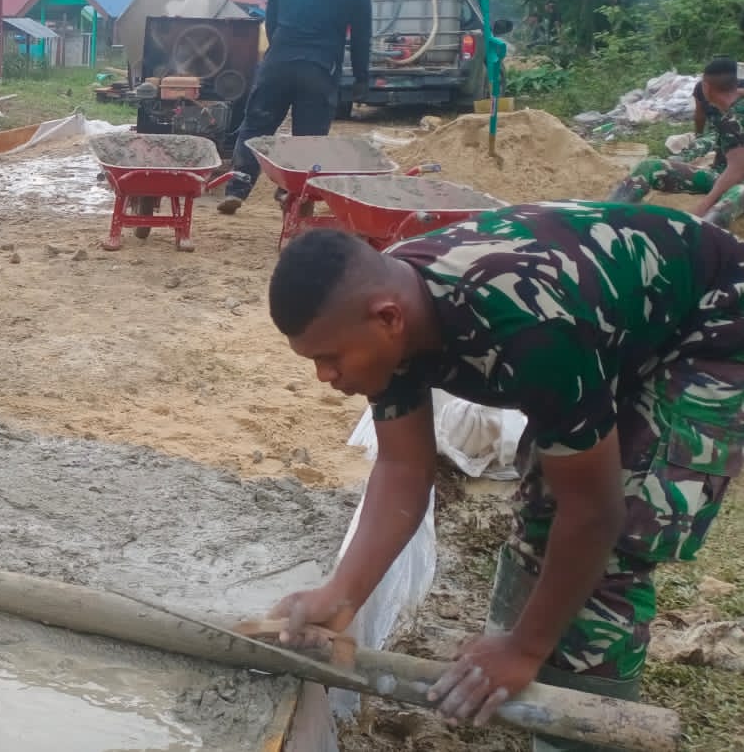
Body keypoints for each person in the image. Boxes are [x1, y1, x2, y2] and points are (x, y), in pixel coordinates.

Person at [265, 203, 742, 751]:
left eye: (329, 359)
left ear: (389, 319)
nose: (326, 377)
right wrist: (341, 595)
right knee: (544, 504)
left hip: (712, 321)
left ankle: (579, 723)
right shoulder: (381, 305)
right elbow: (403, 467)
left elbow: (595, 511)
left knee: (617, 540)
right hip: (610, 317)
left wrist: (525, 648)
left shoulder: (532, 329)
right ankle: (514, 678)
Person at [219, 0, 373, 215]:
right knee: (309, 138)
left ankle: (237, 187)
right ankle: (294, 195)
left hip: (278, 64)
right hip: (319, 69)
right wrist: (361, 78)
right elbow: (361, 38)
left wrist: (282, 53)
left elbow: (272, 23)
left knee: (256, 125)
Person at [606, 57, 744, 227]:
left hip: (737, 184)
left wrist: (702, 207)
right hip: (721, 176)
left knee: (734, 195)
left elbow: (737, 169)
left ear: (706, 87)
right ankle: (609, 216)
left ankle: (697, 238)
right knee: (649, 167)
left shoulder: (731, 120)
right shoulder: (729, 111)